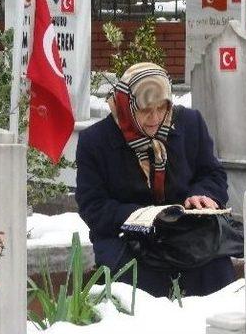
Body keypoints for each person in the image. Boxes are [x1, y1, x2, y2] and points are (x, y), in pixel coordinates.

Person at [75, 62, 234, 297]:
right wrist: (144, 216)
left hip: (185, 234)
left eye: (162, 108)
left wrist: (203, 195)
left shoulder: (190, 124)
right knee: (138, 285)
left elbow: (213, 174)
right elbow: (93, 206)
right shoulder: (95, 141)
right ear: (126, 104)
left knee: (217, 272)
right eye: (145, 110)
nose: (155, 118)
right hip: (127, 238)